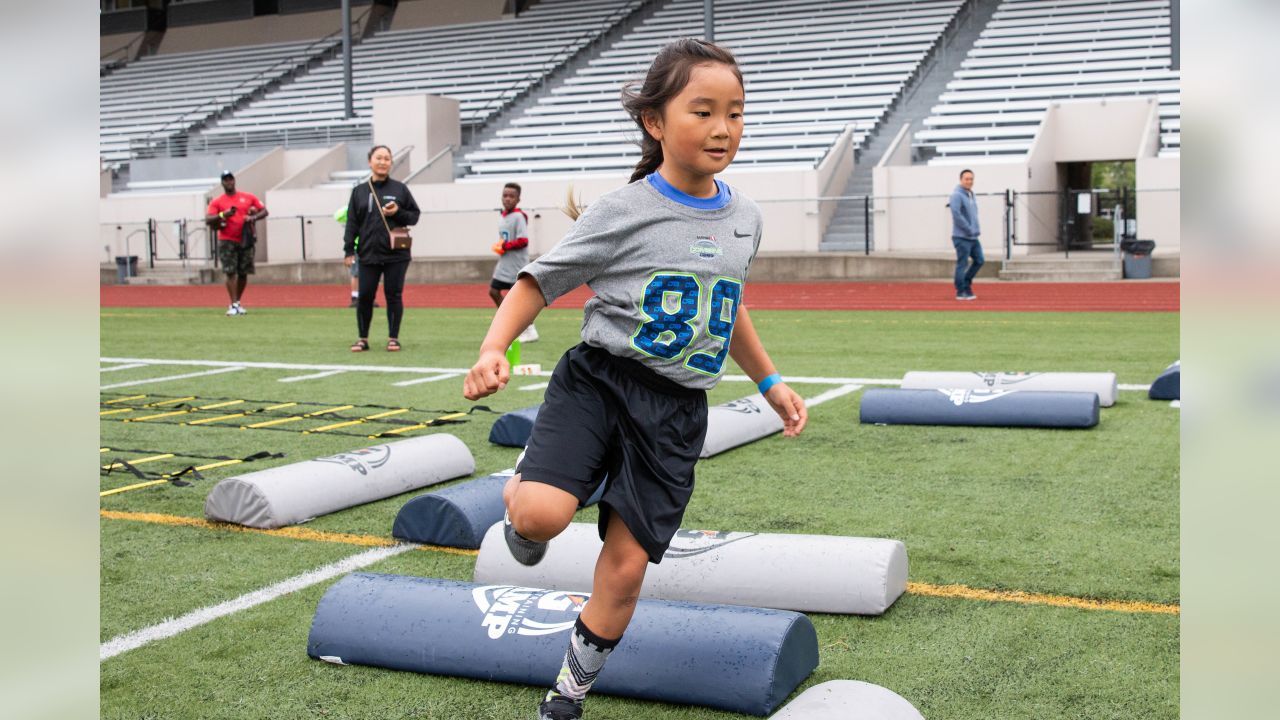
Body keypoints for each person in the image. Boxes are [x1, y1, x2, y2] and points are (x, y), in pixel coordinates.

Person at [462, 38, 807, 720]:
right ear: (655, 122)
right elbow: (538, 280)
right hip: (600, 383)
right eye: (703, 111)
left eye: (736, 113)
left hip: (677, 414)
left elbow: (727, 309)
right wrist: (492, 348)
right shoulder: (623, 210)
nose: (722, 129)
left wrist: (771, 384)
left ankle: (567, 696)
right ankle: (536, 506)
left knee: (623, 571)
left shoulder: (746, 218)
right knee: (539, 516)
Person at [343, 145, 419, 351]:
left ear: (391, 163)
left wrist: (398, 212)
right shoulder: (359, 191)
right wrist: (349, 250)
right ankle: (363, 338)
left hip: (397, 254)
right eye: (379, 158)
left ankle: (393, 337)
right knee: (365, 295)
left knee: (393, 294)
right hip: (368, 253)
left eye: (387, 158)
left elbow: (414, 216)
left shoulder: (400, 189)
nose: (383, 162)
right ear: (370, 161)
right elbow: (352, 223)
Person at [205, 171, 267, 316]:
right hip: (227, 240)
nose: (229, 182)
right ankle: (233, 304)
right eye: (226, 180)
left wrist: (252, 218)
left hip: (245, 239)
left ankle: (237, 303)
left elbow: (264, 211)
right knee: (230, 272)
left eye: (230, 179)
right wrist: (222, 215)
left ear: (234, 180)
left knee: (243, 273)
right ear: (222, 183)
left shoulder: (248, 197)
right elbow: (208, 219)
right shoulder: (218, 201)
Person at [489, 181, 538, 343]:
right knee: (493, 292)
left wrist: (505, 245)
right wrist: (500, 246)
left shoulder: (518, 216)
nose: (507, 199)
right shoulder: (503, 216)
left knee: (516, 300)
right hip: (505, 263)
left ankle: (529, 329)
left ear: (518, 199)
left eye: (511, 196)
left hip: (516, 264)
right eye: (505, 195)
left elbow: (523, 240)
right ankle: (509, 324)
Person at [949, 168, 983, 300]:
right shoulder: (957, 195)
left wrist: (976, 228)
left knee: (980, 260)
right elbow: (956, 215)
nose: (969, 181)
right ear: (961, 180)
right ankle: (961, 290)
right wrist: (969, 229)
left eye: (971, 179)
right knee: (962, 263)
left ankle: (966, 283)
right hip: (962, 237)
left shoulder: (971, 194)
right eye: (967, 179)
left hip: (973, 236)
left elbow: (973, 215)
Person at [333, 205, 376, 309]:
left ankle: (368, 297)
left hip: (370, 246)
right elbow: (338, 216)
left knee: (370, 273)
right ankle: (355, 298)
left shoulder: (371, 207)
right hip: (357, 247)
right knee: (356, 273)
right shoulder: (352, 208)